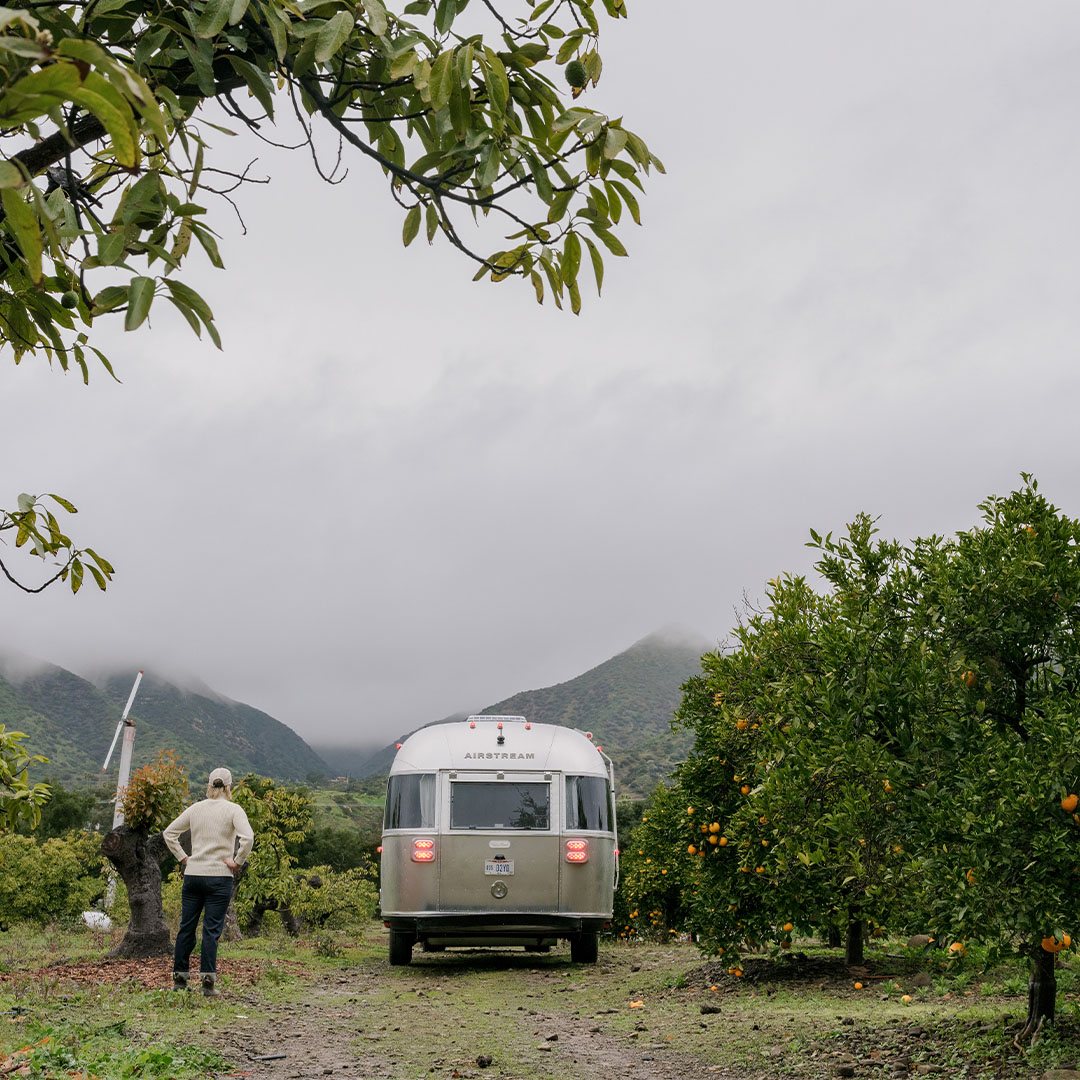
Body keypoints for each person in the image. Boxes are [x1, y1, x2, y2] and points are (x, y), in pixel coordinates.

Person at [163, 767, 255, 997]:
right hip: (219, 875)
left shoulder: (196, 809)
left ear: (209, 786)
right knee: (211, 930)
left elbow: (169, 833)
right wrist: (237, 862)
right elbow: (248, 838)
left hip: (193, 875)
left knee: (186, 927)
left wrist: (184, 858)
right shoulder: (234, 810)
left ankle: (180, 979)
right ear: (228, 787)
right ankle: (207, 981)